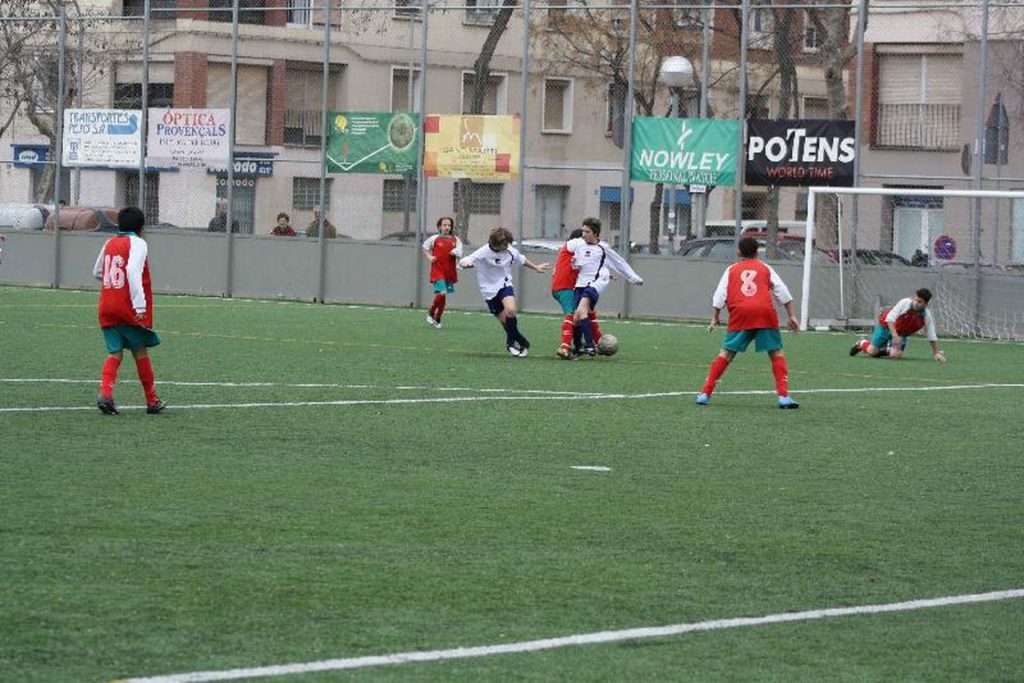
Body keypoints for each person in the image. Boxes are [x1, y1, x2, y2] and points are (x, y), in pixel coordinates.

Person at [696, 236, 800, 409]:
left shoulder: (731, 270)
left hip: (740, 313)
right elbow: (782, 291)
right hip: (764, 313)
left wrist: (715, 316)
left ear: (738, 252)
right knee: (776, 353)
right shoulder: (765, 268)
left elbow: (720, 294)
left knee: (726, 354)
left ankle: (704, 394)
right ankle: (783, 397)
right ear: (757, 253)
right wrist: (791, 316)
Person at [92, 206, 165, 415]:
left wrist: (113, 282)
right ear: (141, 228)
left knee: (114, 353)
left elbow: (97, 271)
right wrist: (140, 304)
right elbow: (133, 270)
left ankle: (105, 394)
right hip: (127, 306)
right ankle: (152, 400)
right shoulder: (138, 243)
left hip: (107, 305)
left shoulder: (109, 242)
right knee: (140, 350)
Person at [459, 227, 549, 357]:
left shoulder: (510, 250)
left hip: (504, 284)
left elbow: (521, 259)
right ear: (495, 244)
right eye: (504, 244)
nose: (508, 246)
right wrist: (466, 264)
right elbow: (465, 260)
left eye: (508, 244)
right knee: (506, 324)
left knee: (511, 310)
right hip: (488, 290)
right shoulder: (484, 252)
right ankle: (523, 342)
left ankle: (510, 343)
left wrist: (536, 267)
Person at [560, 217, 643, 358]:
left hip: (595, 284)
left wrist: (633, 278)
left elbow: (619, 263)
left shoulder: (603, 248)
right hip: (580, 284)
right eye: (583, 231)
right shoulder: (580, 246)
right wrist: (574, 263)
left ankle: (591, 346)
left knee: (581, 311)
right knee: (576, 319)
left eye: (587, 231)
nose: (583, 234)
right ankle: (579, 348)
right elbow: (580, 266)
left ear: (596, 233)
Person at [849, 288, 946, 362]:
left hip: (900, 333)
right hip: (886, 327)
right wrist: (894, 336)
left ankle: (887, 348)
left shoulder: (926, 315)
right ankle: (862, 343)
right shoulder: (905, 303)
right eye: (915, 299)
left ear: (927, 304)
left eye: (920, 302)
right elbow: (890, 319)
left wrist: (935, 353)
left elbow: (931, 334)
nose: (916, 303)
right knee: (872, 351)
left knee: (896, 355)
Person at [551, 227, 587, 356]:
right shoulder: (573, 253)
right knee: (571, 314)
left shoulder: (567, 252)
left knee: (579, 314)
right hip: (565, 288)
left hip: (564, 287)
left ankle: (578, 346)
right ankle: (564, 346)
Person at [422, 216, 463, 329]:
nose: (447, 227)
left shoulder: (456, 240)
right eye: (444, 225)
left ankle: (438, 318)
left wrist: (456, 253)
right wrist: (430, 257)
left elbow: (460, 253)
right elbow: (425, 248)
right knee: (442, 292)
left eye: (449, 225)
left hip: (449, 272)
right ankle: (431, 312)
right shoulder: (434, 238)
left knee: (443, 299)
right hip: (437, 270)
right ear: (439, 226)